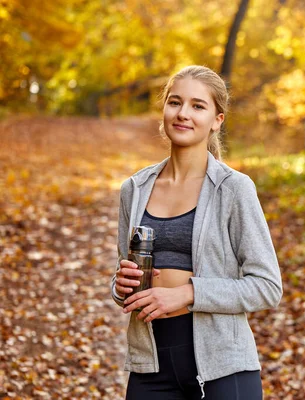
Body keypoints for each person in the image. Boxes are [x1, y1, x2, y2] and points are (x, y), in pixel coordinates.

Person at [110, 65, 282, 400]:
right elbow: (124, 278)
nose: (183, 114)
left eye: (197, 106)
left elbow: (267, 287)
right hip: (152, 364)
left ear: (217, 119)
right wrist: (119, 286)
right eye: (175, 103)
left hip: (224, 365)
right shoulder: (135, 188)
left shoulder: (234, 189)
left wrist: (186, 294)